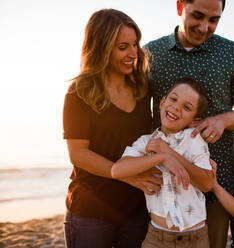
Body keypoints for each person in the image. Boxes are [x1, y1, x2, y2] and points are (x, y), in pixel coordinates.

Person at [144, 0, 234, 247]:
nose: (205, 27)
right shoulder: (151, 52)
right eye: (198, 16)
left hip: (216, 184)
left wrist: (222, 120)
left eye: (214, 20)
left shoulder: (233, 53)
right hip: (160, 184)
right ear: (179, 6)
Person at [62, 9, 161, 248]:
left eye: (135, 45)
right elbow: (78, 155)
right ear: (102, 47)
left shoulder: (142, 88)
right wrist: (129, 175)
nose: (133, 54)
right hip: (90, 211)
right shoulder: (79, 92)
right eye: (123, 47)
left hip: (136, 209)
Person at [111, 77, 214, 247]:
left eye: (186, 107)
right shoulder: (146, 142)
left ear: (194, 121)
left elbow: (206, 184)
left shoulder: (194, 140)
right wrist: (162, 157)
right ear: (162, 102)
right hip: (156, 237)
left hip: (195, 239)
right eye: (173, 99)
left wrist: (169, 152)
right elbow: (117, 170)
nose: (176, 107)